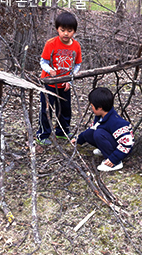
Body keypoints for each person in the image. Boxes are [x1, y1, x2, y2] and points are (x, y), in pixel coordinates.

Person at [36, 11, 82, 145]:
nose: (66, 34)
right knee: (47, 109)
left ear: (74, 31)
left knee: (65, 108)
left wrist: (70, 79)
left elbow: (77, 64)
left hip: (65, 84)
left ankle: (62, 132)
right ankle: (43, 134)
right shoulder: (51, 43)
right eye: (62, 30)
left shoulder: (76, 46)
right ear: (57, 29)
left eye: (69, 30)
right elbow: (43, 62)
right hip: (49, 83)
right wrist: (50, 70)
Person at [70, 88, 134, 172]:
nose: (91, 108)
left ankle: (115, 162)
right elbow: (92, 129)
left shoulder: (116, 122)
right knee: (90, 132)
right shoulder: (100, 117)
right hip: (114, 142)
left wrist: (114, 159)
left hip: (122, 150)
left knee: (99, 133)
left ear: (99, 108)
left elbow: (127, 143)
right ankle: (105, 150)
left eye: (92, 106)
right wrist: (79, 139)